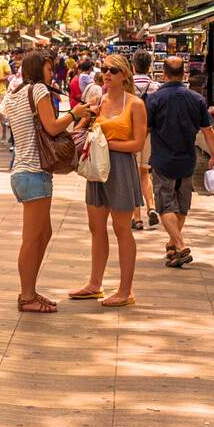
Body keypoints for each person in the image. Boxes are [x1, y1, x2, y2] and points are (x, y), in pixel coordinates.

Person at [68, 52, 146, 308]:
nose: (107, 74)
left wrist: (108, 144)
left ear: (125, 75)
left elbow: (137, 144)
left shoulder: (135, 104)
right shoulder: (97, 101)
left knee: (122, 228)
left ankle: (126, 290)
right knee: (96, 227)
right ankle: (94, 284)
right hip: (96, 169)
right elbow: (79, 130)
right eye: (105, 70)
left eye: (113, 70)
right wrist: (82, 120)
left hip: (121, 168)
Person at [4, 49, 73, 312]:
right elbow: (53, 127)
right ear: (37, 69)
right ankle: (27, 295)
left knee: (44, 233)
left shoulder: (14, 95)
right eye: (48, 68)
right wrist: (75, 114)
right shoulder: (40, 91)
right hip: (33, 172)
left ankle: (31, 291)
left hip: (24, 172)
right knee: (33, 238)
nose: (52, 73)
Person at [145, 56, 214, 268]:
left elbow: (146, 129)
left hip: (162, 160)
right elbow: (208, 131)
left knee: (165, 204)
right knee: (181, 204)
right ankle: (173, 247)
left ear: (164, 74)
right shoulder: (196, 99)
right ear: (184, 73)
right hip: (187, 161)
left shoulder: (155, 99)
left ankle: (179, 244)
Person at [130, 52, 161, 231]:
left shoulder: (127, 86)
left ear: (133, 65)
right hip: (149, 134)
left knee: (133, 174)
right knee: (145, 172)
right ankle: (151, 206)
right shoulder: (156, 86)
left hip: (132, 135)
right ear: (150, 66)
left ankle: (137, 217)